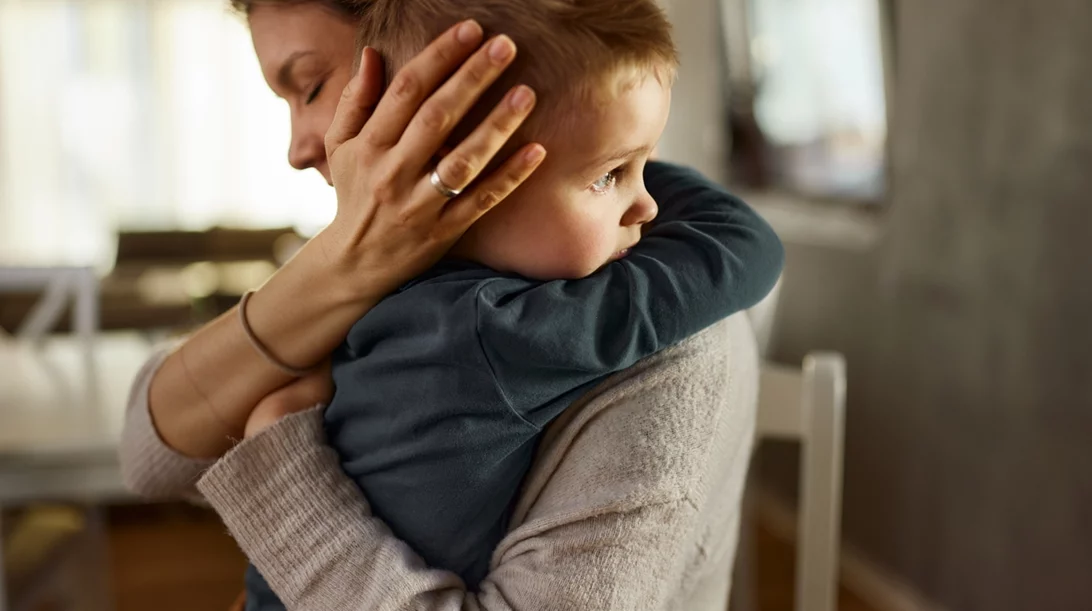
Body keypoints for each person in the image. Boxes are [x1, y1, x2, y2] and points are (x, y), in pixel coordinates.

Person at [119, 1, 781, 610]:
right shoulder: (419, 269)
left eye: (311, 85)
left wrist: (282, 478)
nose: (297, 150)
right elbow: (151, 455)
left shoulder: (659, 325)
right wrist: (342, 264)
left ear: (443, 77)